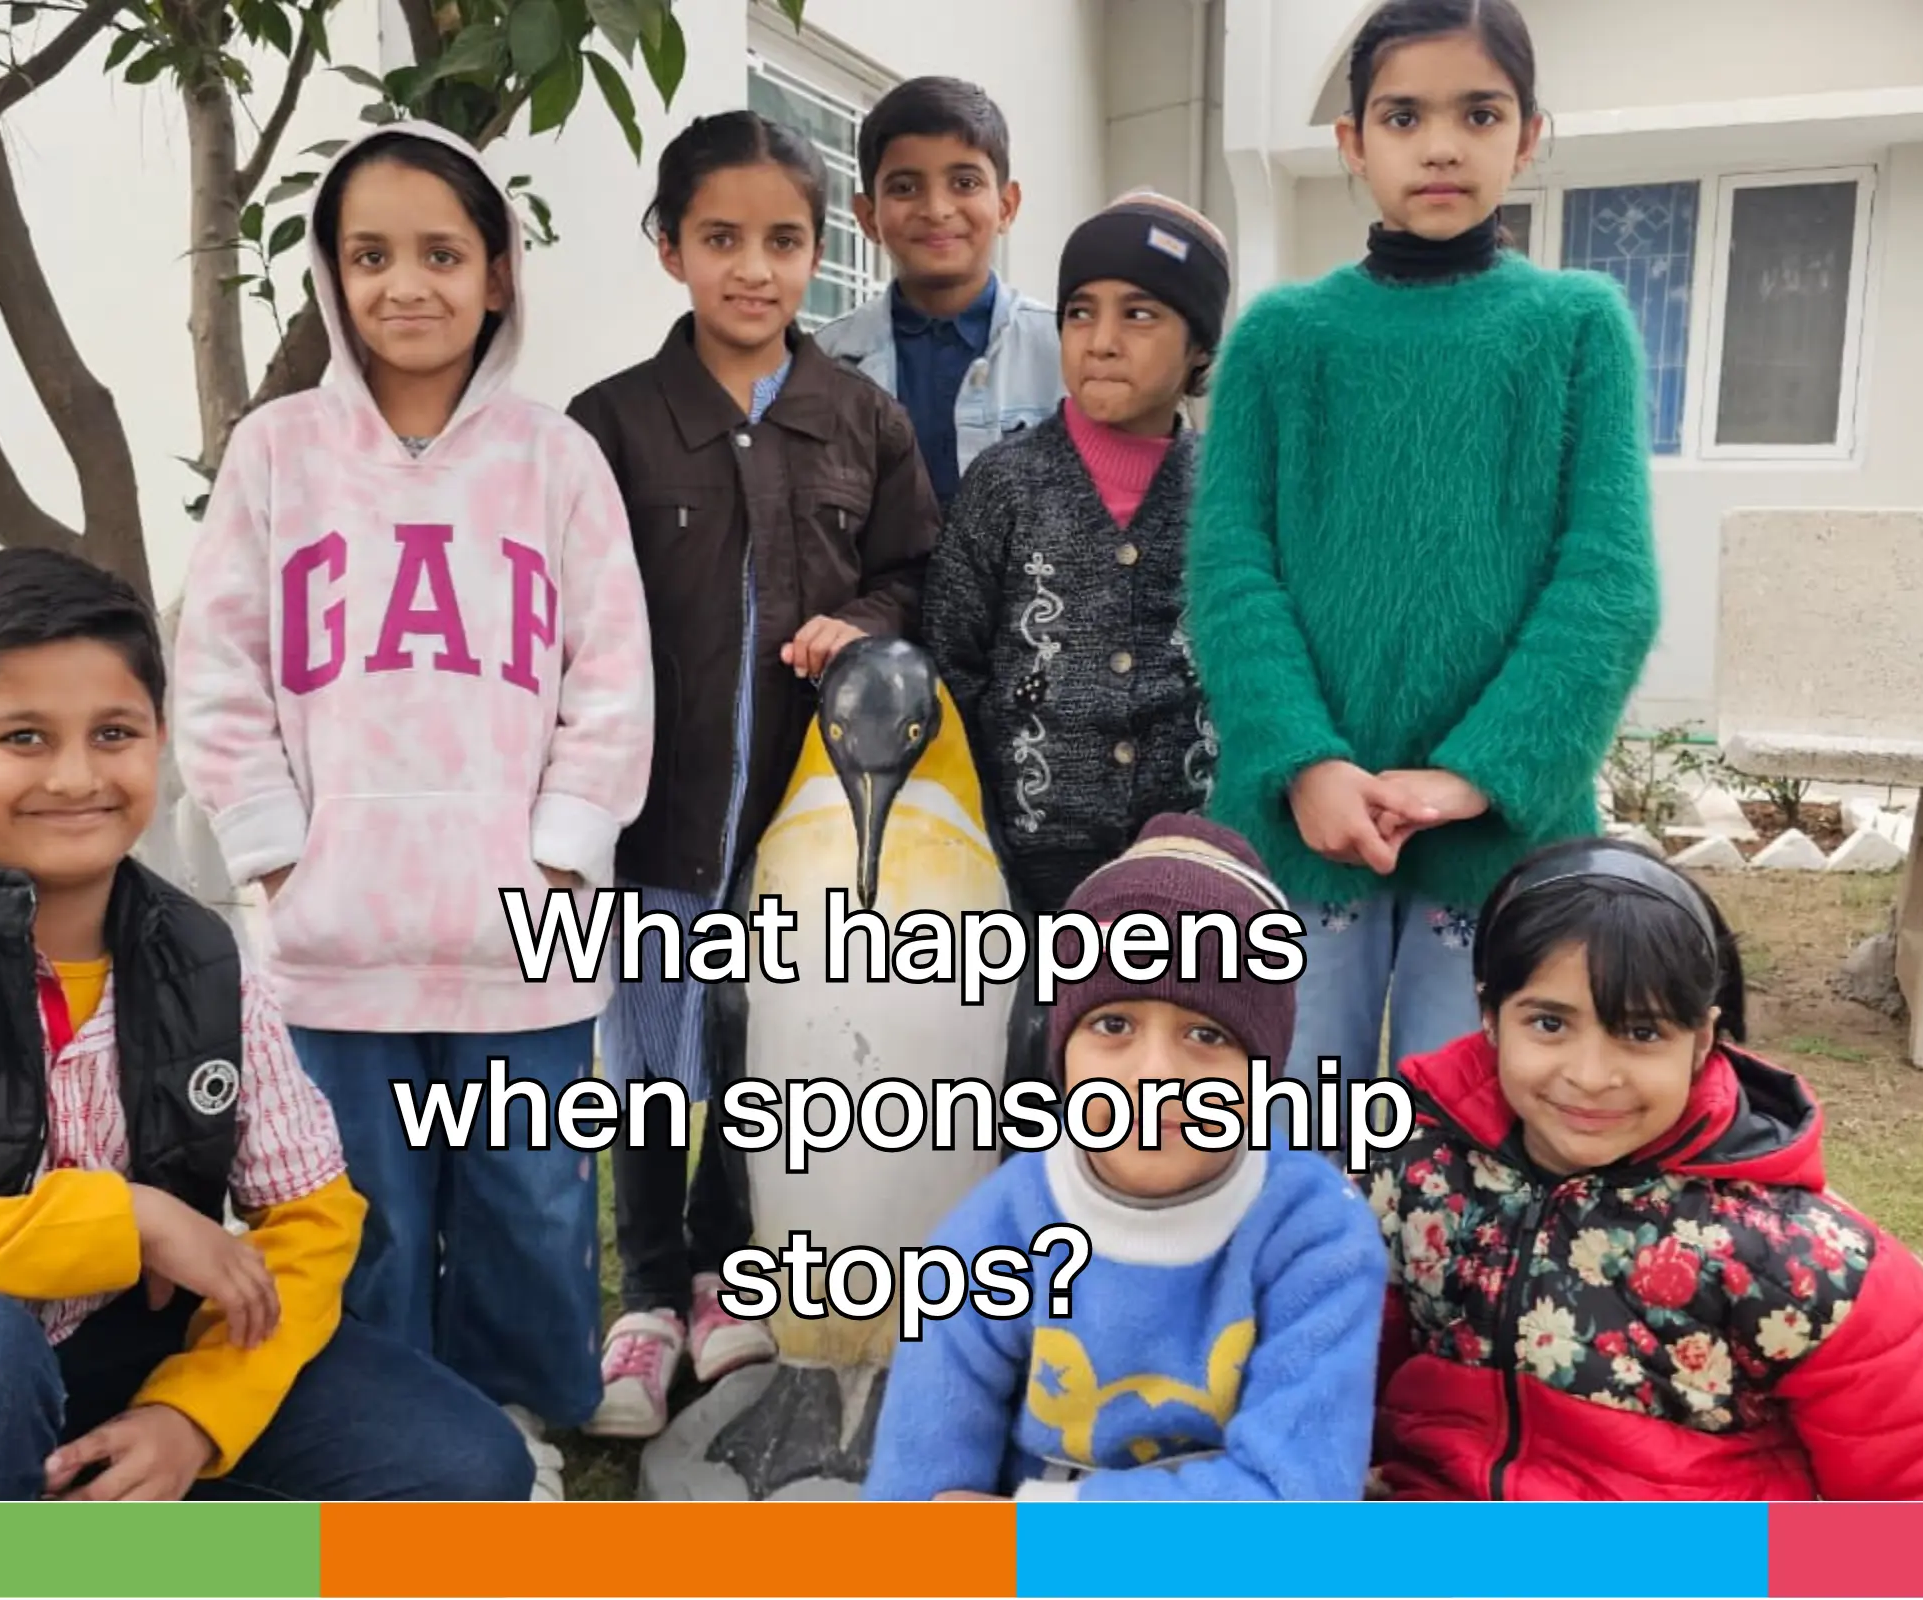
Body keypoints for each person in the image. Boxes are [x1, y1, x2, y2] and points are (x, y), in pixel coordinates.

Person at [0, 549, 536, 1502]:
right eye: (24, 737)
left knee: (465, 1464)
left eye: (113, 732)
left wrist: (194, 1414)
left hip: (109, 1349)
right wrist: (129, 1220)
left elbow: (313, 1214)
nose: (75, 777)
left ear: (158, 737)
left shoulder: (198, 954)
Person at [170, 121, 656, 1492]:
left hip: (525, 942)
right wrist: (274, 856)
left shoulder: (555, 460)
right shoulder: (277, 454)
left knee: (529, 1198)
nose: (408, 286)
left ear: (497, 274)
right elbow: (218, 673)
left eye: (442, 253)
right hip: (337, 941)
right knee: (361, 1214)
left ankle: (515, 1415)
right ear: (331, 275)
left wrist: (563, 858)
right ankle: (396, 1434)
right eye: (370, 255)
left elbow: (611, 675)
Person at [1182, 0, 1660, 1086]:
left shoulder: (1577, 327)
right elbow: (1230, 571)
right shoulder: (1280, 339)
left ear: (1528, 134)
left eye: (1478, 113)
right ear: (1352, 143)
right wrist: (1304, 763)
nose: (1440, 145)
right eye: (1402, 116)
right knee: (1290, 1123)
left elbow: (1607, 583)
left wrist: (1472, 777)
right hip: (1301, 830)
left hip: (1498, 840)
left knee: (1481, 1133)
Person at [566, 111, 938, 1439]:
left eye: (783, 241)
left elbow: (911, 573)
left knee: (752, 1054)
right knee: (648, 1060)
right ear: (669, 247)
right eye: (720, 238)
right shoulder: (608, 425)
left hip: (796, 827)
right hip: (653, 825)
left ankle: (730, 1278)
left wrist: (870, 623)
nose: (753, 269)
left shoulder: (860, 419)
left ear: (818, 254)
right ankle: (645, 1297)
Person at [1364, 837, 1923, 1499]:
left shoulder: (1796, 1255)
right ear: (1489, 1014)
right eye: (1548, 1024)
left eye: (1642, 1033)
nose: (1590, 1076)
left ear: (1703, 1038)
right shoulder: (1416, 1173)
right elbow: (1334, 1375)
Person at [862, 815, 1386, 1502]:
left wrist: (1039, 1522)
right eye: (1114, 1025)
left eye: (1206, 1033)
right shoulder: (993, 1232)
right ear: (1062, 1051)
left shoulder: (1318, 1236)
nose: (1155, 1074)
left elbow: (1296, 1502)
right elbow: (916, 1499)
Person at [925, 190, 1231, 923]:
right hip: (1031, 863)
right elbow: (952, 664)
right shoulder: (1005, 482)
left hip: (1189, 859)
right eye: (1080, 312)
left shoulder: (1228, 490)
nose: (1101, 340)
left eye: (1140, 314)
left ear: (1198, 346)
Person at [812, 76, 1063, 509]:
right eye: (905, 187)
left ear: (1006, 206)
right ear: (868, 217)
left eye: (964, 183)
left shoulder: (1065, 351)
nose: (936, 209)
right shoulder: (823, 361)